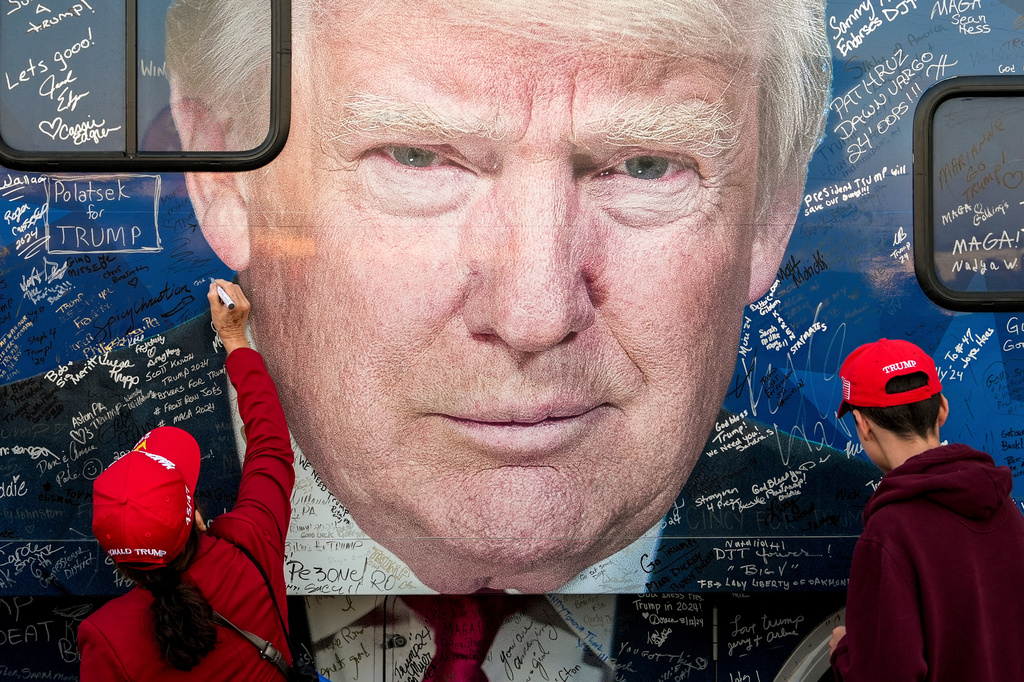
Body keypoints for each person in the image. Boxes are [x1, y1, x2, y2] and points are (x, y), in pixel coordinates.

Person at [165, 0, 838, 593]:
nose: (534, 315)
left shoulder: (882, 554)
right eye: (417, 157)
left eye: (646, 166)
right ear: (225, 179)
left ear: (774, 210)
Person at [78, 280, 298, 681]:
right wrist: (234, 336)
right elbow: (271, 447)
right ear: (195, 517)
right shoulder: (250, 549)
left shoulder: (106, 637)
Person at [828, 338, 1024, 681]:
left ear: (864, 425)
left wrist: (845, 650)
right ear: (943, 408)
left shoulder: (888, 533)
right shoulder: (1004, 508)